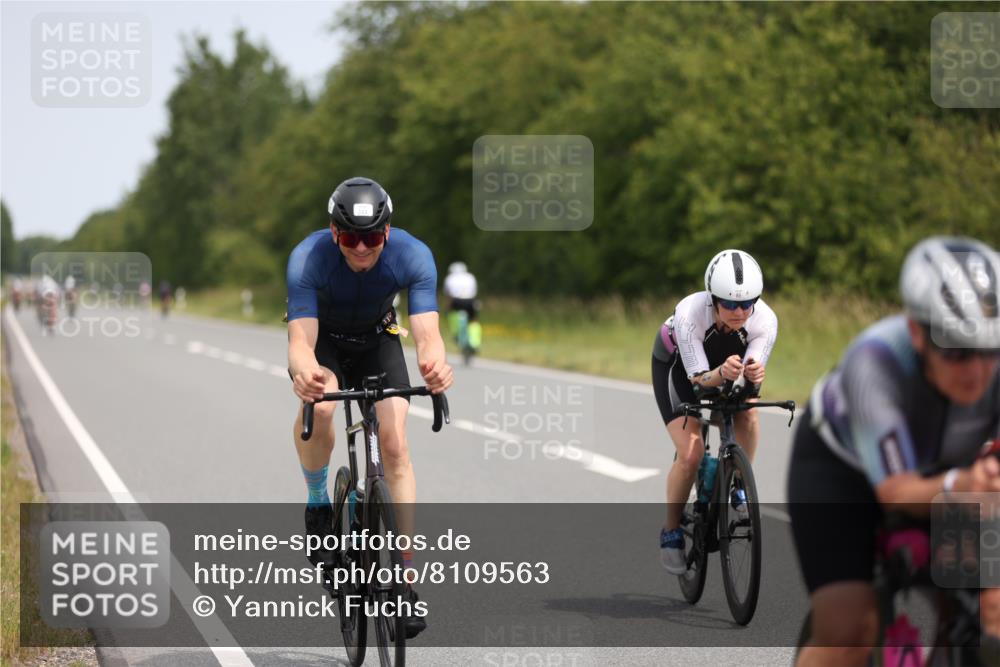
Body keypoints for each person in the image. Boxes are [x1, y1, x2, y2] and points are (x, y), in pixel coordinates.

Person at [787, 236, 1000, 667]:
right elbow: (896, 491)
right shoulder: (874, 360)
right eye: (956, 351)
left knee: (993, 612)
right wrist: (963, 485)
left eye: (990, 349)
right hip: (842, 471)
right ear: (917, 332)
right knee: (849, 632)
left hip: (953, 471)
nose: (976, 371)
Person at [286, 176, 453, 638]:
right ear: (334, 233)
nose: (362, 248)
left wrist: (435, 367)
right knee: (322, 407)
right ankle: (318, 503)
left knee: (395, 443)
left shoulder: (413, 254)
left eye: (373, 238)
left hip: (379, 339)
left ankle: (404, 579)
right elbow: (300, 342)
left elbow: (427, 334)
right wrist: (306, 373)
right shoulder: (307, 257)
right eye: (351, 239)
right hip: (325, 342)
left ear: (388, 231)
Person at [652, 249, 778, 574]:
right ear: (712, 298)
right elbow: (698, 380)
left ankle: (737, 481)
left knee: (748, 412)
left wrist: (753, 374)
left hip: (725, 367)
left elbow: (748, 380)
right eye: (730, 304)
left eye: (748, 303)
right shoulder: (689, 313)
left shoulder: (765, 320)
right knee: (691, 454)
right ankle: (671, 531)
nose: (740, 311)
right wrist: (721, 373)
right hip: (678, 368)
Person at [443, 261, 481, 352]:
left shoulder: (450, 278)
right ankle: (475, 343)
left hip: (456, 301)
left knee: (451, 314)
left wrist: (447, 308)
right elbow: (474, 292)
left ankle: (456, 333)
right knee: (474, 320)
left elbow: (448, 295)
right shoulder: (470, 277)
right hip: (470, 301)